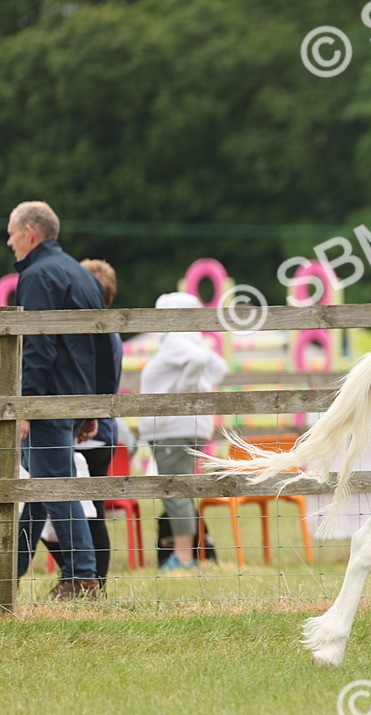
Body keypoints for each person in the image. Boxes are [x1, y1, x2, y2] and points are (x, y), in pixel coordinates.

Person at [7, 200, 116, 599]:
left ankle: (82, 577)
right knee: (41, 486)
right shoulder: (81, 275)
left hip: (49, 399)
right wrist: (95, 405)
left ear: (29, 233)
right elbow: (102, 346)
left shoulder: (37, 275)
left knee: (54, 486)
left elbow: (38, 345)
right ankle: (11, 571)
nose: (9, 242)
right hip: (75, 397)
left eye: (11, 234)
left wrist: (27, 405)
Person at [137, 292, 227, 571]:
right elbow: (218, 367)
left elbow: (198, 361)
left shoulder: (176, 339)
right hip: (186, 427)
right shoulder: (192, 339)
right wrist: (197, 388)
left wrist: (182, 394)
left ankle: (184, 558)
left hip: (172, 429)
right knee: (182, 491)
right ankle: (187, 555)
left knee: (175, 491)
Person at [45, 259, 122, 589]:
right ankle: (83, 575)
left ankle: (87, 577)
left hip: (88, 433)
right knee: (83, 510)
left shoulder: (94, 334)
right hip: (98, 432)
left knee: (84, 511)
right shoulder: (108, 332)